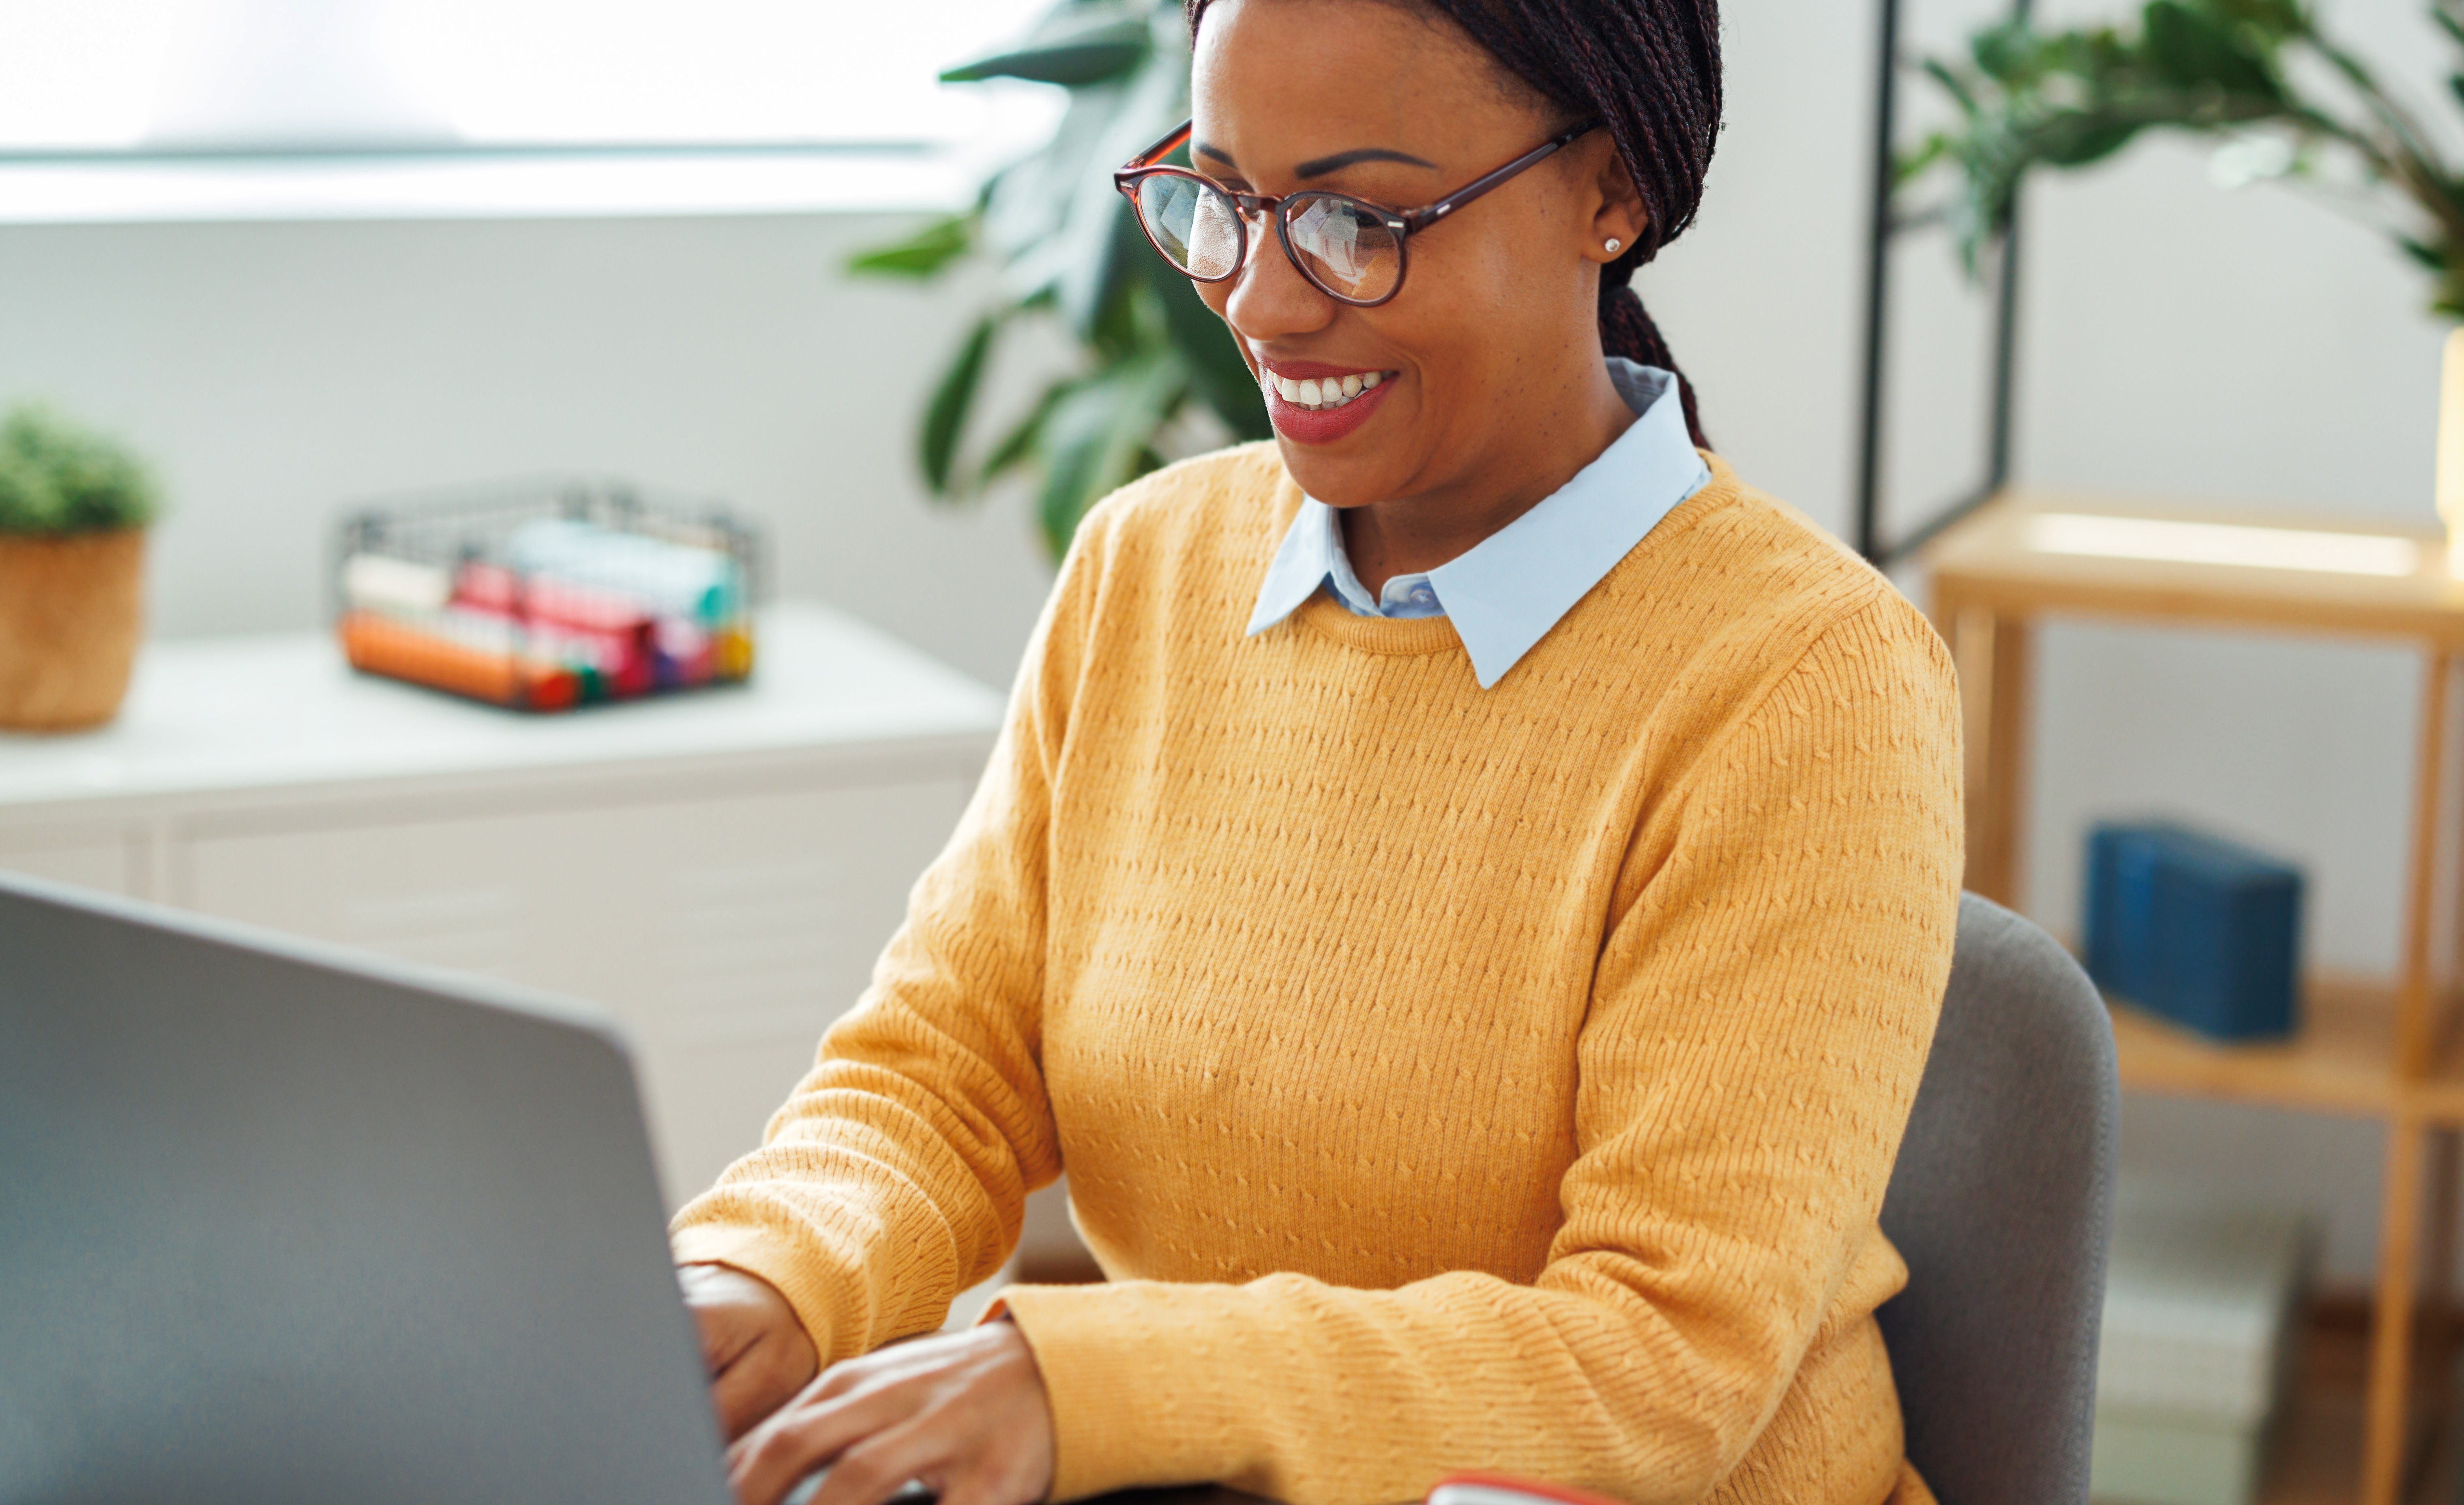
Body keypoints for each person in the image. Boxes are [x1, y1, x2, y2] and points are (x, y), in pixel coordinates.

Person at [673, 1, 1962, 1503]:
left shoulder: (1805, 677)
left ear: (1608, 192)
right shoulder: (1148, 564)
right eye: (1224, 202)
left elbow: (1664, 1367)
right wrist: (764, 1277)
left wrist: (1097, 1379)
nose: (1265, 305)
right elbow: (943, 1072)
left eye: (1359, 218)